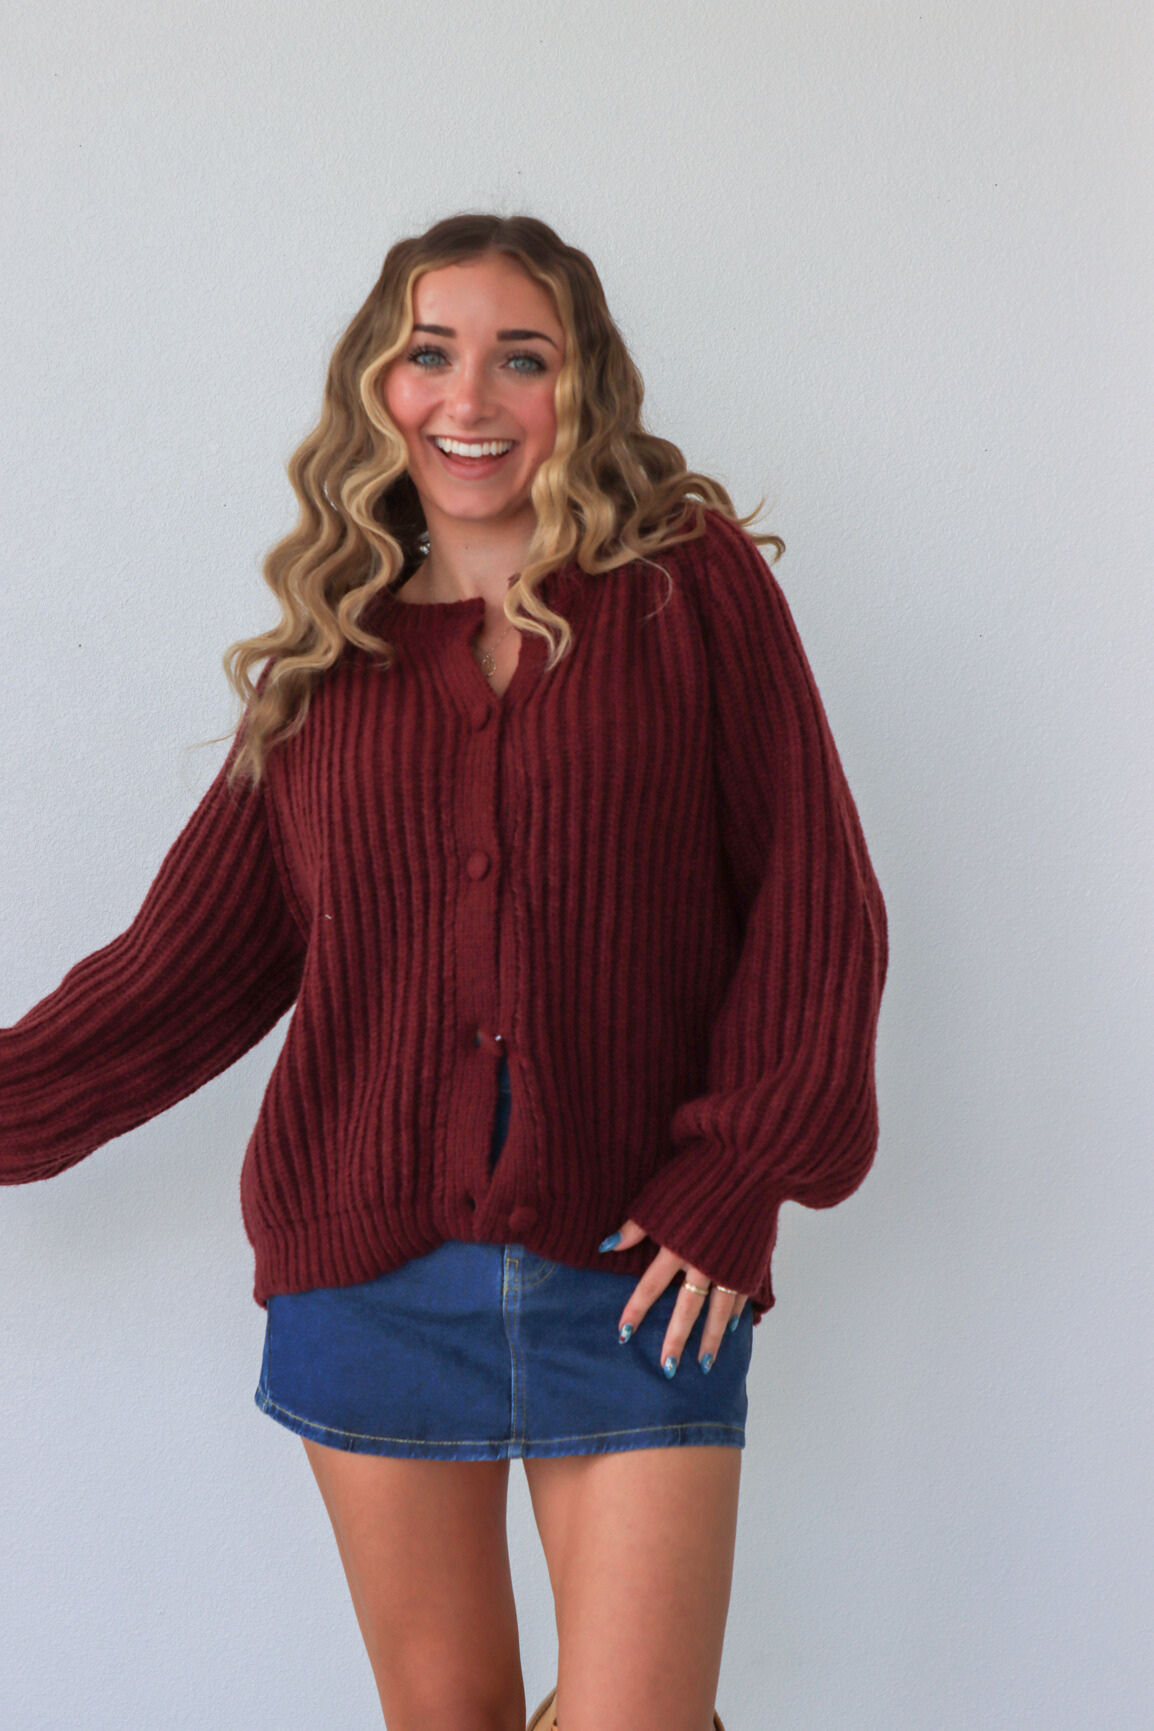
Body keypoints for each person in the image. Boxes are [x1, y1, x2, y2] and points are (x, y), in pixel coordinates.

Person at [0, 213, 887, 1731]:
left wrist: (738, 1172)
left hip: (639, 1274)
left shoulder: (688, 589)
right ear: (376, 386)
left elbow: (815, 894)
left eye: (518, 356)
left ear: (577, 390)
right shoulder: (322, 675)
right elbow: (176, 974)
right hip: (370, 1273)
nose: (468, 395)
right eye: (430, 351)